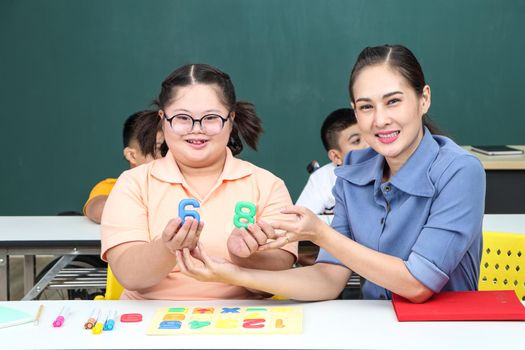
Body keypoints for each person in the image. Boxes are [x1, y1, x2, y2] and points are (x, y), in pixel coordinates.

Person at [175, 45, 486, 303]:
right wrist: (229, 273)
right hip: (377, 329)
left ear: (424, 98)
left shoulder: (460, 171)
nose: (380, 120)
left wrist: (321, 234)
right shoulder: (353, 174)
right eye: (366, 107)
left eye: (393, 101)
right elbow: (328, 279)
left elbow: (418, 283)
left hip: (446, 332)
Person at [100, 64, 297, 300]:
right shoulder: (133, 183)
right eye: (183, 118)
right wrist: (167, 247)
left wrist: (245, 256)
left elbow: (277, 280)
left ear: (230, 119)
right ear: (163, 119)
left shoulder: (267, 185)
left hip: (240, 322)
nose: (197, 130)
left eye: (211, 118)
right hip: (148, 324)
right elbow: (130, 276)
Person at [83, 111, 164, 224]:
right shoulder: (113, 187)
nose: (170, 156)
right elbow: (98, 211)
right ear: (132, 155)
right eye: (161, 149)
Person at [296, 108, 368, 215]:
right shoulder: (322, 178)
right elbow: (299, 221)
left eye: (369, 135)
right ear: (336, 157)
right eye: (356, 141)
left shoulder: (389, 164)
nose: (368, 145)